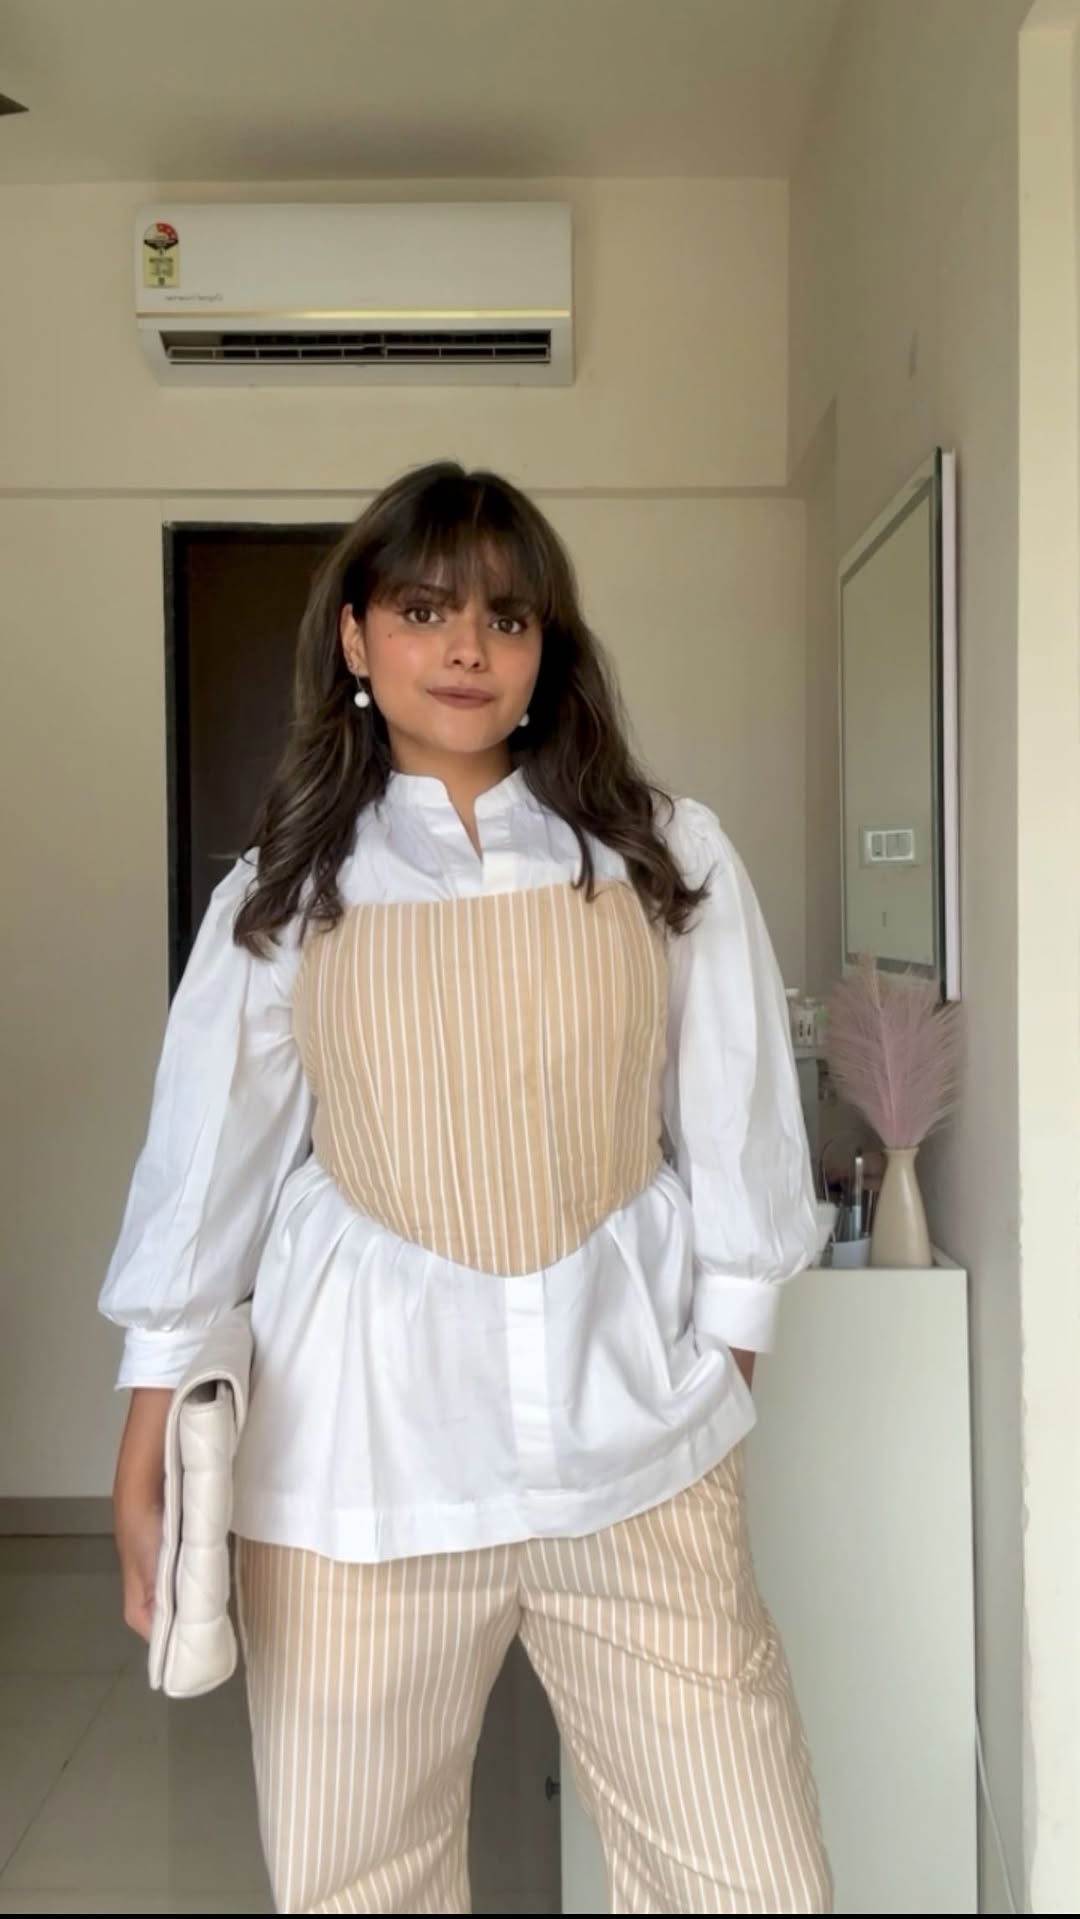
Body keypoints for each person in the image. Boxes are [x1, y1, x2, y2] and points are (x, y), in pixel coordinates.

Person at [101, 461, 832, 1915]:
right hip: (357, 1463)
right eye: (425, 610)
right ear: (356, 636)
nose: (466, 649)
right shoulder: (287, 891)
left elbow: (740, 1128)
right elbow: (202, 1179)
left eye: (507, 618)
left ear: (547, 648)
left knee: (753, 1877)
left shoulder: (660, 856)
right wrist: (147, 1435)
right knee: (357, 1876)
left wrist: (720, 1372)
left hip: (636, 1448)